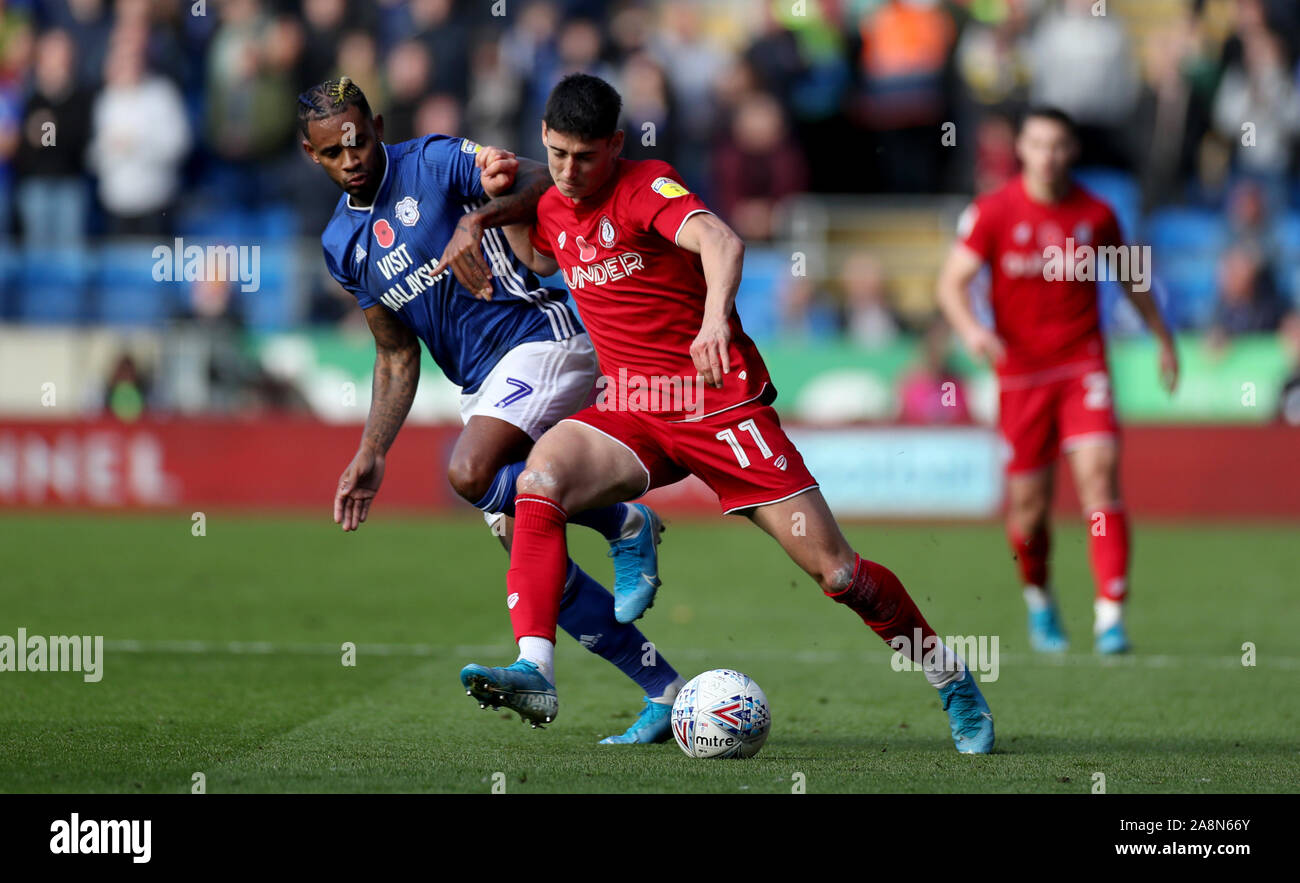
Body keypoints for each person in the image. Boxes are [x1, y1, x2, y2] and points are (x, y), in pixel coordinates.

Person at [460, 73, 995, 754]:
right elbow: (539, 246)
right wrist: (481, 219)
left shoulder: (645, 184)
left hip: (717, 405)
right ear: (543, 136)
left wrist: (713, 321)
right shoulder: (550, 199)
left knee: (839, 573)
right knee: (538, 482)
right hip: (634, 408)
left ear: (616, 145)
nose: (570, 171)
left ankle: (951, 679)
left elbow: (722, 241)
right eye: (559, 153)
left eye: (586, 156)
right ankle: (537, 665)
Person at [299, 77, 682, 743]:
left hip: (541, 337)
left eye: (359, 139)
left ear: (379, 124)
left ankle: (621, 522)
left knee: (471, 472)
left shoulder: (436, 162)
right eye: (335, 151)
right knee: (536, 558)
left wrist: (479, 215)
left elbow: (548, 181)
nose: (352, 157)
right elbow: (395, 354)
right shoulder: (343, 245)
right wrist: (372, 450)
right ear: (313, 156)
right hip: (485, 386)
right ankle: (663, 687)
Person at [936, 107, 1180, 656]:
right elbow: (951, 285)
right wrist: (973, 331)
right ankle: (1040, 601)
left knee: (1099, 476)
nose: (1048, 155)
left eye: (1058, 145)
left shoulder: (1095, 213)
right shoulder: (992, 212)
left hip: (1082, 365)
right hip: (1021, 377)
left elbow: (1131, 276)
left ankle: (1110, 616)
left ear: (1071, 151)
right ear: (1021, 149)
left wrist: (1162, 336)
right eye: (1038, 144)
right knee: (1029, 509)